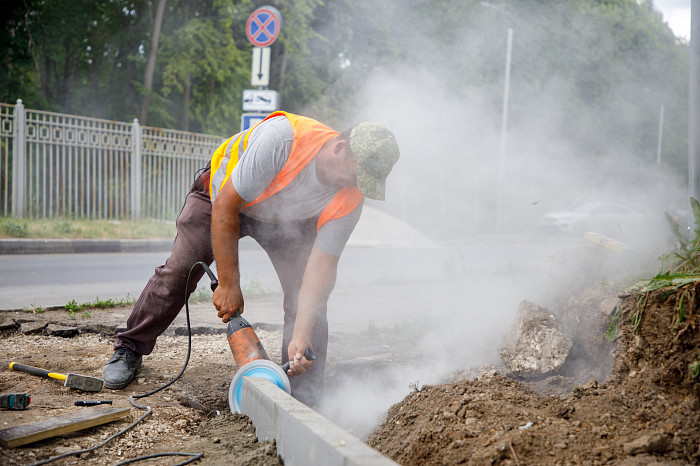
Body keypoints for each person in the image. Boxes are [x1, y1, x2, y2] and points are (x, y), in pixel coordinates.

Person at [102, 111, 400, 406]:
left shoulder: (351, 197)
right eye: (356, 175)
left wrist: (302, 334)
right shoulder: (283, 140)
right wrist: (229, 283)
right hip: (221, 198)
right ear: (340, 149)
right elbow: (225, 208)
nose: (356, 185)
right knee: (180, 269)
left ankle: (302, 395)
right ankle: (130, 347)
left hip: (283, 220)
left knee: (308, 305)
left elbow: (321, 268)